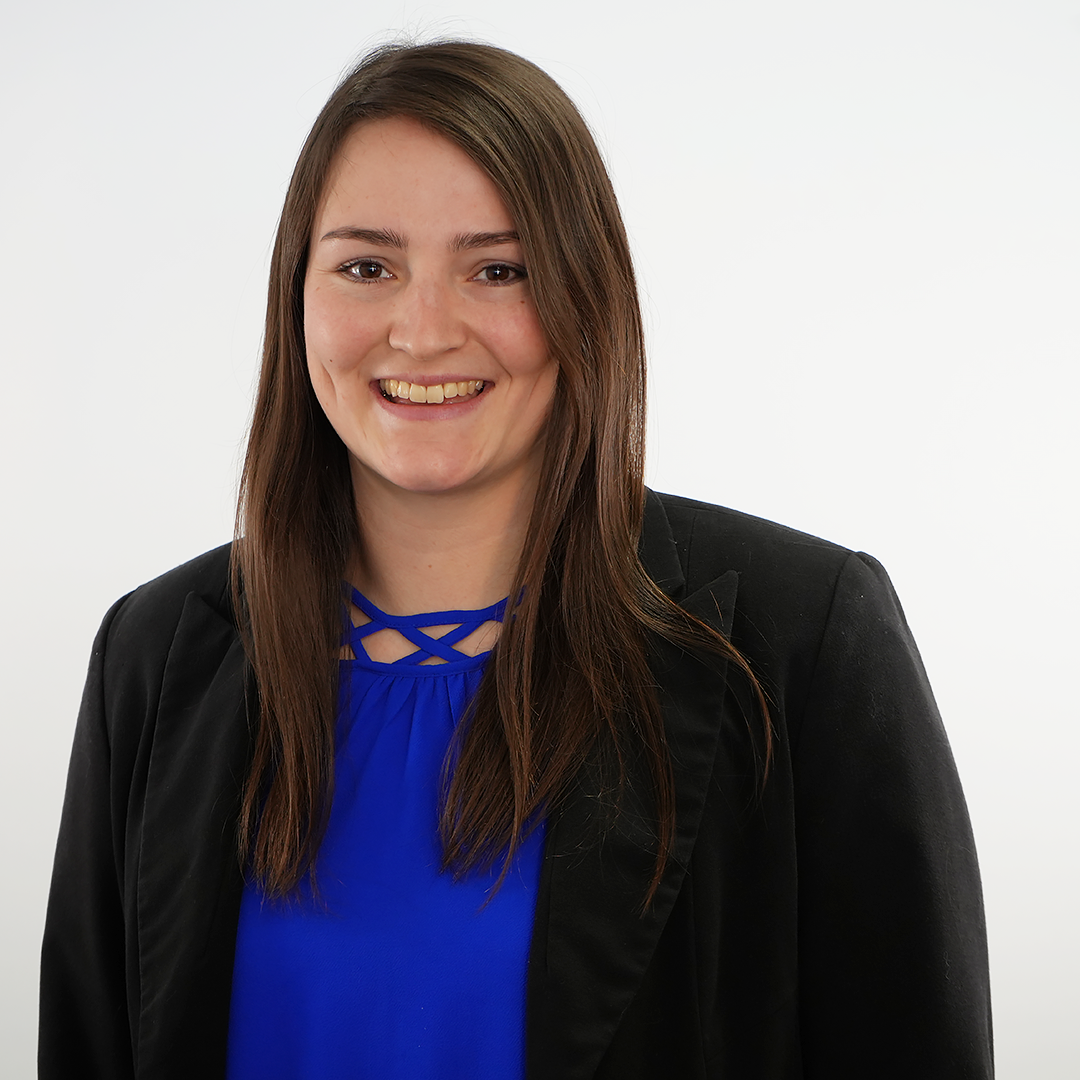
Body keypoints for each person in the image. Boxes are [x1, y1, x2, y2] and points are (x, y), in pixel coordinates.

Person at [38, 41, 993, 1080]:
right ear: (296, 299)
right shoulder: (158, 652)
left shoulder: (802, 642)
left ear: (586, 295)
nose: (423, 329)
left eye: (498, 270)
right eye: (368, 266)